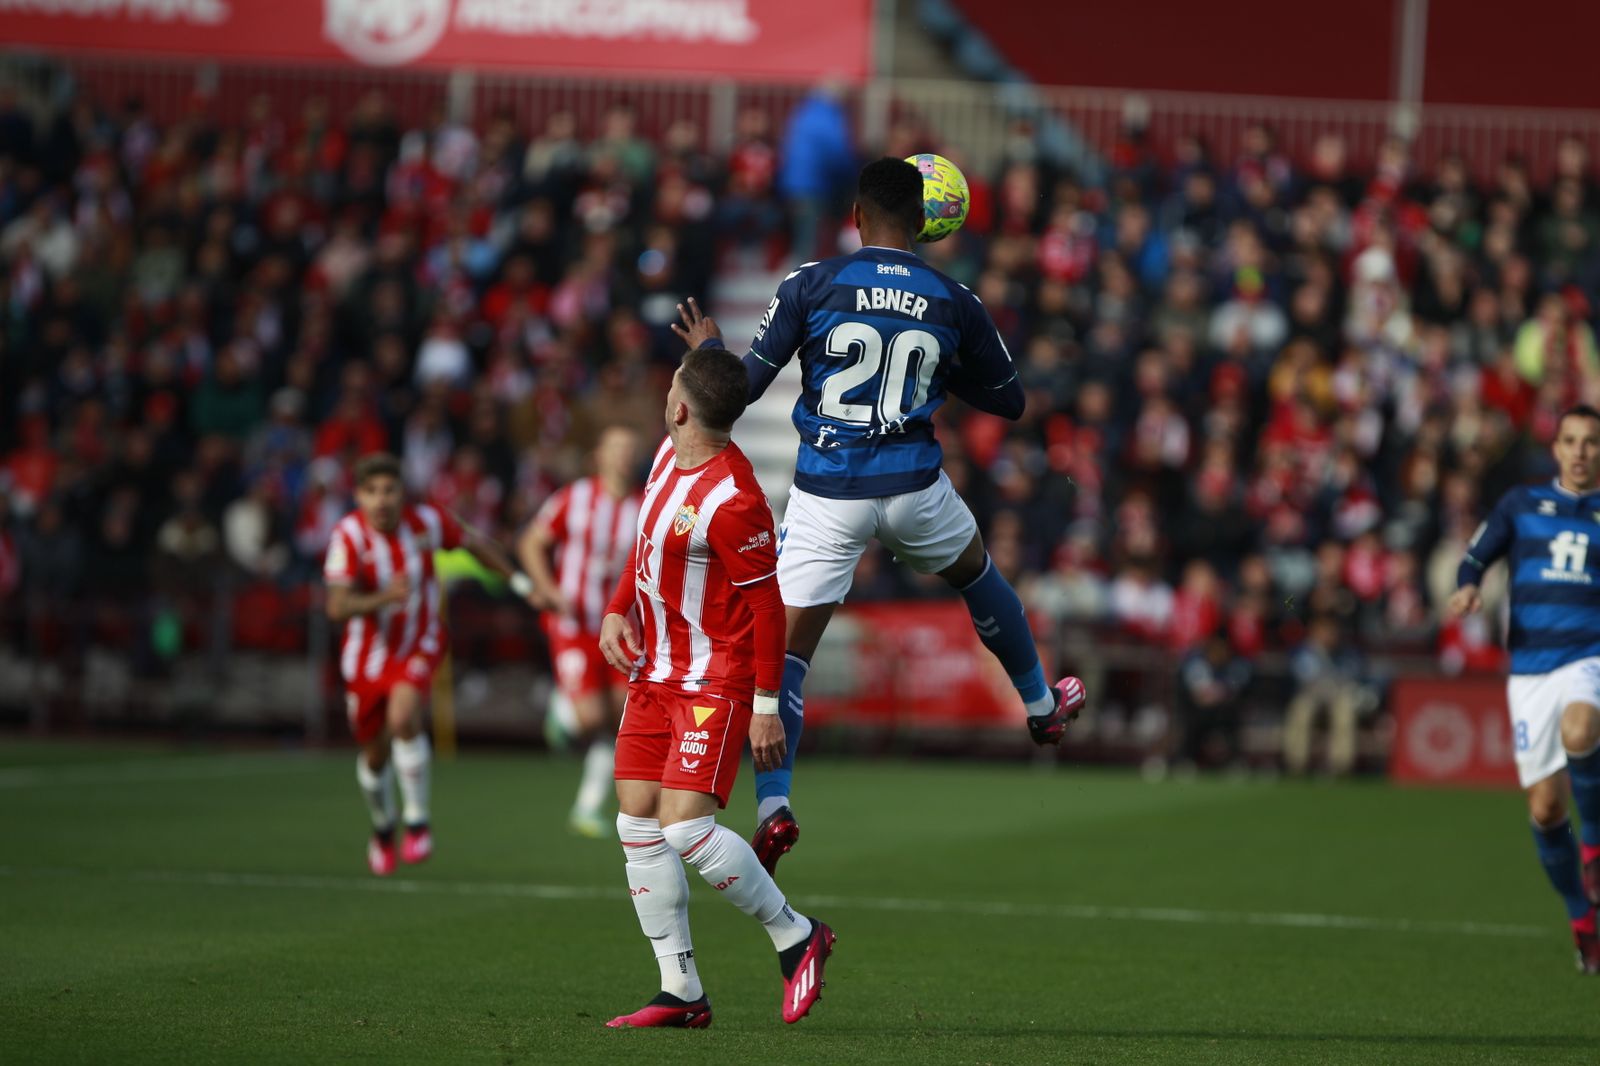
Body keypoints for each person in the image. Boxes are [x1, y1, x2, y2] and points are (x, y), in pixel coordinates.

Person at [671, 157, 1085, 875]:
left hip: (832, 493)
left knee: (789, 654)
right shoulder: (955, 298)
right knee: (977, 574)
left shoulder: (813, 283)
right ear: (926, 224)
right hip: (915, 487)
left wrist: (709, 347)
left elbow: (740, 392)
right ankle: (1041, 704)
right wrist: (942, 362)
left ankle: (774, 807)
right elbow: (1011, 401)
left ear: (857, 217)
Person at [596, 346, 835, 1029]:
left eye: (671, 383)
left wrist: (765, 708)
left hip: (714, 681)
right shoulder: (666, 458)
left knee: (686, 827)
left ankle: (797, 936)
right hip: (656, 674)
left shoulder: (735, 500)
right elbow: (645, 542)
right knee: (635, 817)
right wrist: (619, 606)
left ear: (678, 407)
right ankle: (681, 990)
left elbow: (766, 608)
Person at [323, 452, 529, 876]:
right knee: (374, 754)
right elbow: (337, 607)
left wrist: (522, 584)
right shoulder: (347, 536)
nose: (381, 500)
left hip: (420, 641)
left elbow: (476, 545)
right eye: (372, 491)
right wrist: (382, 598)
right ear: (359, 496)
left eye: (389, 490)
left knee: (404, 716)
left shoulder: (427, 522)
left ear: (402, 493)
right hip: (366, 657)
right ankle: (383, 827)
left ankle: (417, 820)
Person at [1449, 404, 1600, 973]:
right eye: (1572, 441)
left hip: (1589, 654)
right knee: (1545, 808)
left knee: (1583, 727)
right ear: (1556, 448)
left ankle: (1595, 850)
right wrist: (1467, 589)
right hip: (1530, 669)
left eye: (1591, 442)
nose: (1581, 451)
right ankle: (1582, 919)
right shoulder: (1521, 504)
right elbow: (1474, 556)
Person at [516, 425, 643, 838]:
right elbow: (531, 542)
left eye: (629, 449)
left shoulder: (644, 506)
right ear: (599, 456)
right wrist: (547, 587)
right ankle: (563, 707)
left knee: (622, 717)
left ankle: (587, 807)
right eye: (615, 448)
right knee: (590, 719)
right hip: (572, 623)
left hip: (619, 629)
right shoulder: (573, 498)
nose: (623, 456)